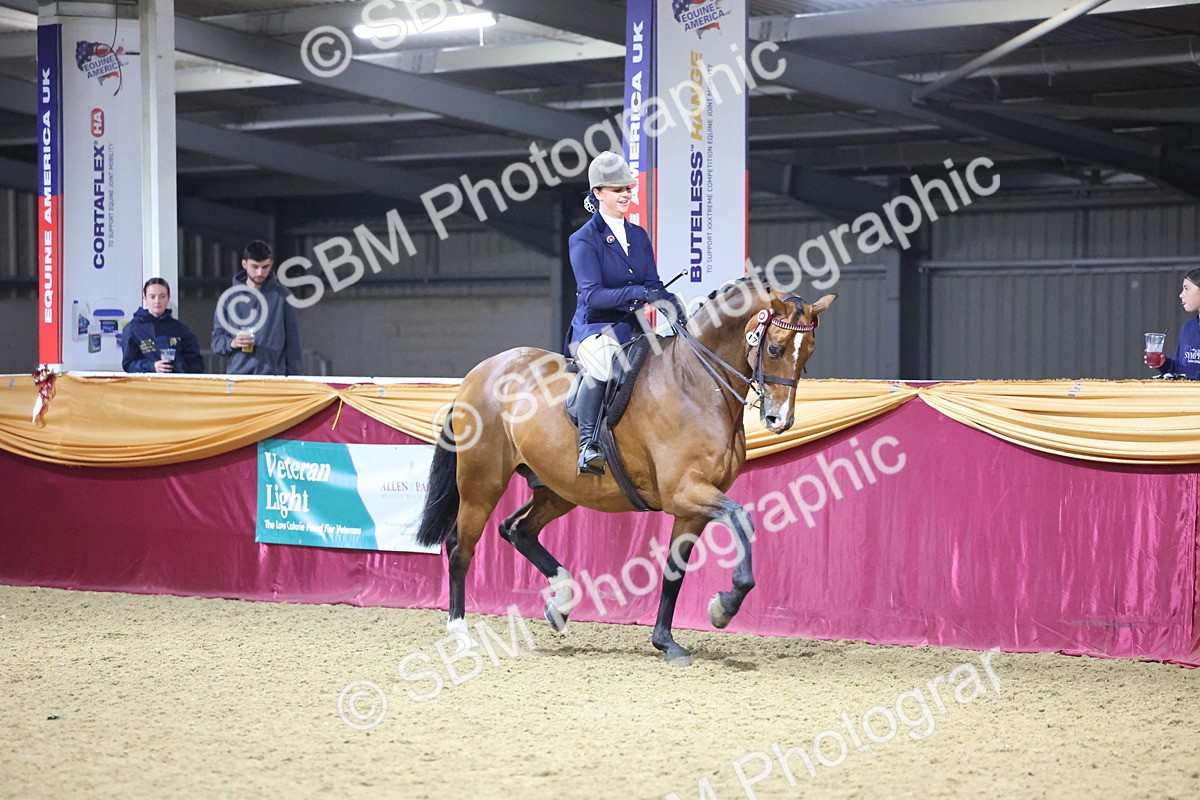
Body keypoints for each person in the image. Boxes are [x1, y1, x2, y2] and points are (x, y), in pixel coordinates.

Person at [565, 151, 684, 475]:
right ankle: (587, 446)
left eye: (628, 189)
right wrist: (638, 294)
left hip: (634, 329)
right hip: (596, 328)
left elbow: (653, 284)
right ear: (598, 193)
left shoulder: (638, 236)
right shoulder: (583, 239)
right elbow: (594, 295)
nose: (626, 194)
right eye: (618, 190)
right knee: (603, 367)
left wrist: (673, 305)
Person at [211, 240, 303, 376]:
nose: (260, 272)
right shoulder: (229, 299)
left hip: (273, 379)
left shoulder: (283, 297)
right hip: (238, 378)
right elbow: (216, 342)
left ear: (271, 263)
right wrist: (232, 343)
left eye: (265, 267)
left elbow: (293, 344)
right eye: (255, 266)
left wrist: (296, 380)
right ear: (244, 264)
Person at [121, 278, 204, 374]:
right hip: (148, 385)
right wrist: (152, 366)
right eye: (152, 297)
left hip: (177, 385)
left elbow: (196, 363)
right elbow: (129, 365)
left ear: (168, 298)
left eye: (162, 296)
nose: (157, 301)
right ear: (144, 298)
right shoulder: (133, 329)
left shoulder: (180, 329)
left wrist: (181, 370)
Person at [1147, 268, 1200, 379]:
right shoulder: (1187, 328)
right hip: (1187, 395)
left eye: (1186, 289)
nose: (1181, 295)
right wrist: (1164, 364)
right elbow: (1179, 370)